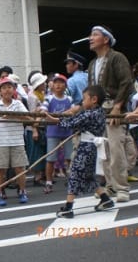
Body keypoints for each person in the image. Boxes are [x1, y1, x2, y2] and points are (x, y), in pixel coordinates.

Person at [45, 85, 114, 218]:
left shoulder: (89, 114)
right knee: (89, 176)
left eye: (84, 99)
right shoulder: (100, 112)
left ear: (94, 99)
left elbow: (73, 122)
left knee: (74, 175)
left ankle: (68, 208)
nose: (82, 102)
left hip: (86, 148)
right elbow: (77, 119)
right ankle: (105, 199)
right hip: (92, 147)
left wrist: (55, 120)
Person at [87, 25, 135, 202]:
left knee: (116, 151)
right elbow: (92, 91)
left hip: (114, 110)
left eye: (95, 35)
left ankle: (122, 188)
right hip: (99, 112)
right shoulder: (92, 64)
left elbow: (126, 82)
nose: (90, 38)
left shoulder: (117, 57)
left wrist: (118, 105)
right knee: (104, 152)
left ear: (106, 39)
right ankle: (110, 186)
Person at [0, 78, 30, 206]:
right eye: (4, 88)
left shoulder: (18, 104)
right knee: (0, 169)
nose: (7, 90)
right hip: (1, 142)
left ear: (14, 90)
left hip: (18, 141)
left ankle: (22, 191)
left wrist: (13, 115)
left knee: (20, 168)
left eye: (10, 87)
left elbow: (29, 117)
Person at [41, 74, 73, 193]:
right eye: (56, 82)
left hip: (67, 131)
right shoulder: (49, 98)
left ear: (65, 85)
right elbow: (43, 110)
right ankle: (49, 182)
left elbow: (73, 112)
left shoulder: (69, 99)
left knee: (70, 157)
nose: (58, 85)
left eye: (61, 82)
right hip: (53, 131)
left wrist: (53, 117)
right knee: (50, 158)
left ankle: (72, 179)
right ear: (52, 85)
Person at [25, 72, 47, 186]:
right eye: (43, 82)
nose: (45, 84)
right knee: (36, 152)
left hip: (43, 126)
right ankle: (37, 177)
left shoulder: (41, 94)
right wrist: (34, 129)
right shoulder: (32, 96)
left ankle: (42, 175)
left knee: (42, 151)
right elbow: (32, 113)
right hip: (34, 127)